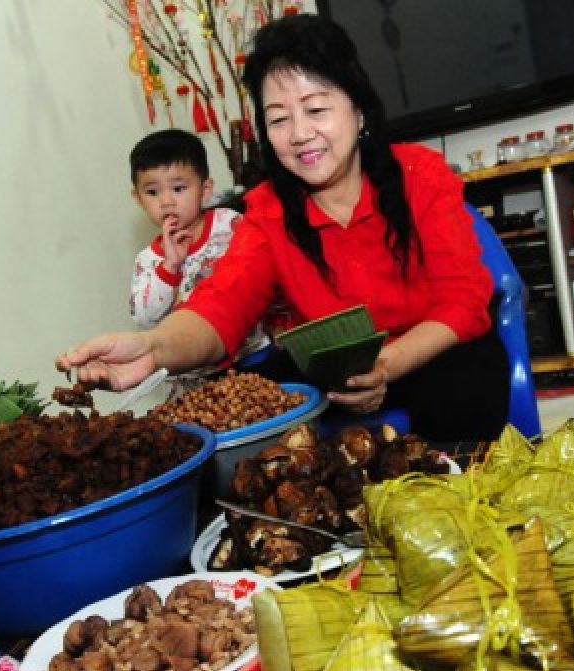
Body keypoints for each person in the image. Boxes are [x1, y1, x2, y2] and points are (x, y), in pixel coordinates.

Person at [59, 13, 508, 441]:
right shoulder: (268, 212)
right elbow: (220, 309)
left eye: (316, 109)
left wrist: (386, 366)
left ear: (357, 108)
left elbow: (464, 301)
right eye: (278, 119)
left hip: (432, 355)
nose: (299, 134)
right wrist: (152, 348)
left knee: (465, 384)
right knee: (241, 406)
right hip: (334, 371)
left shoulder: (420, 176)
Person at [126, 129, 268, 396]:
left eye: (179, 189)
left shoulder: (230, 224)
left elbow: (265, 272)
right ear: (138, 199)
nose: (167, 202)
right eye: (152, 192)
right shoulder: (148, 261)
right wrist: (169, 268)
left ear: (205, 190)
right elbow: (145, 318)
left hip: (253, 358)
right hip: (193, 380)